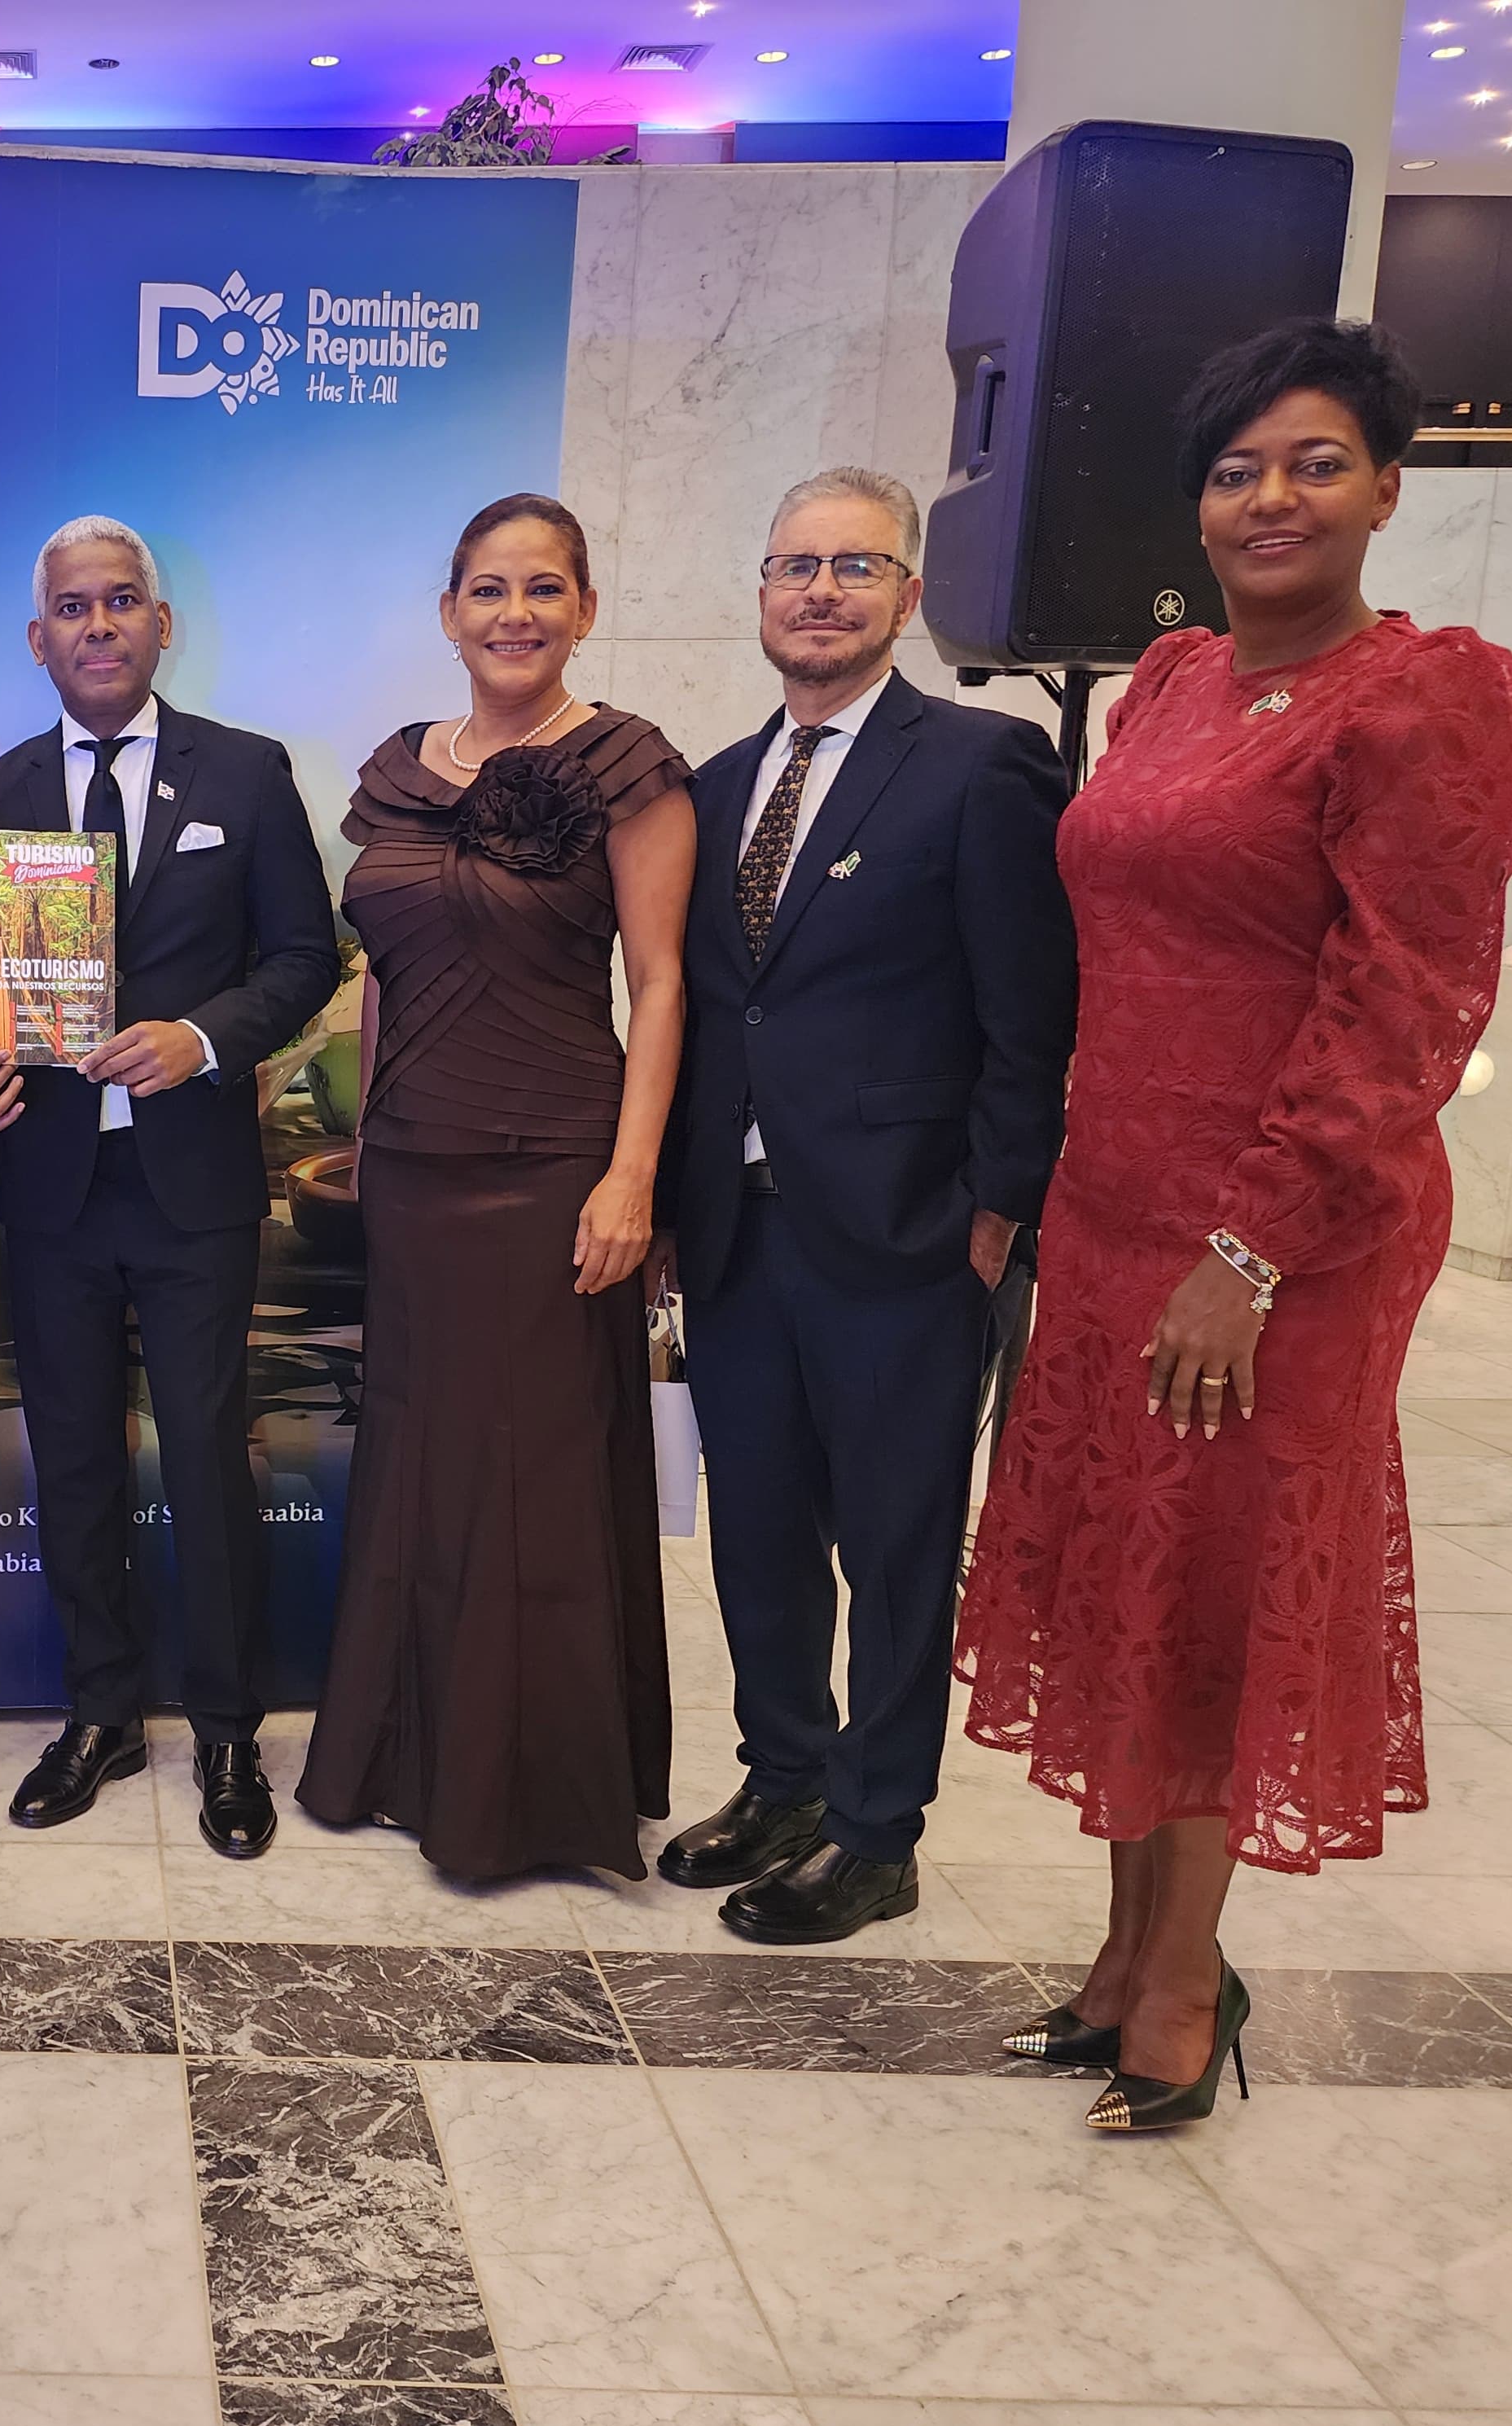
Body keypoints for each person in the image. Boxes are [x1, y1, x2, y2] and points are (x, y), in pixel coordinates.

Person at [958, 319, 1512, 2130]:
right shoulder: (1171, 680)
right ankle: (1123, 1951)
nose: (1270, 497)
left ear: (1385, 490)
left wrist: (1250, 1250)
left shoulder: (1425, 699)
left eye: (1314, 463)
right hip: (1114, 1204)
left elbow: (1405, 1004)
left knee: (1212, 1591)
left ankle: (1182, 1987)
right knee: (1124, 1584)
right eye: (1235, 470)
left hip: (1280, 1239)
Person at [654, 467, 1077, 1942]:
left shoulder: (981, 763)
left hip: (908, 1228)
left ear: (909, 594)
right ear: (762, 592)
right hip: (738, 1226)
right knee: (759, 1528)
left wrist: (1000, 1205)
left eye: (855, 566)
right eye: (796, 566)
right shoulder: (714, 785)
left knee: (896, 1543)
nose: (820, 592)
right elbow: (715, 1010)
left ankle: (876, 1829)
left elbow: (1033, 1011)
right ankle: (782, 1778)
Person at [0, 516, 340, 1861]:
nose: (97, 626)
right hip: (50, 1183)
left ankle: (227, 1733)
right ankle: (100, 1713)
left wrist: (204, 1039)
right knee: (73, 1458)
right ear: (36, 637)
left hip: (193, 1182)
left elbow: (304, 957)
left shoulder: (248, 770)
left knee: (211, 1459)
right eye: (72, 607)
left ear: (161, 625)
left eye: (120, 602)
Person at [296, 494, 695, 1879]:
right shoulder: (399, 768)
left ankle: (524, 1801)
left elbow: (661, 984)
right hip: (411, 1168)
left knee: (534, 1476)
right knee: (420, 1462)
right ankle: (403, 1756)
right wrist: (367, 1132)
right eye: (487, 589)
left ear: (584, 609)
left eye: (542, 588)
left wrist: (632, 1180)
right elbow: (385, 975)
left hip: (551, 1168)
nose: (513, 613)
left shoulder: (628, 764)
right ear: (449, 612)